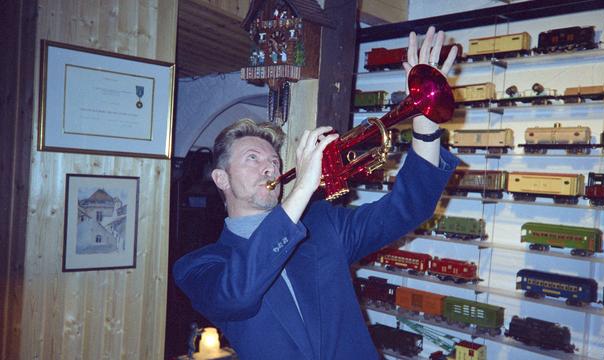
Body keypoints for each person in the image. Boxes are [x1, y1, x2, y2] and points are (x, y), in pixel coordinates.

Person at [173, 26, 460, 360]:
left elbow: (409, 208)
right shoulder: (199, 266)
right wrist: (303, 189)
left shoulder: (323, 223)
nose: (270, 168)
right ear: (221, 178)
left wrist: (424, 120)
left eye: (274, 160)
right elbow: (237, 295)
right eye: (253, 159)